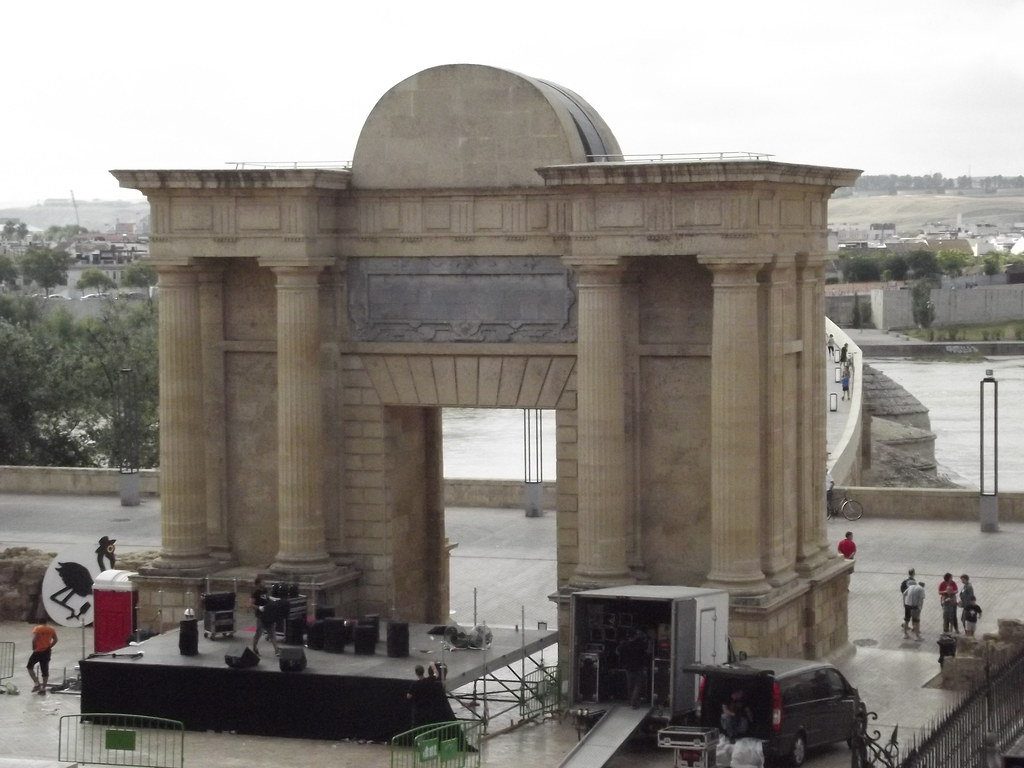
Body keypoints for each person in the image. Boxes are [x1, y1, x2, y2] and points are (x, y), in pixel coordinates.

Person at [407, 662, 455, 728]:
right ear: (423, 671)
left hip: (419, 710)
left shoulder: (414, 685)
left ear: (416, 673)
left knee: (418, 726)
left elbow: (408, 696)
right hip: (428, 708)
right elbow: (436, 674)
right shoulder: (429, 680)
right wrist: (433, 665)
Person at [616, 628, 650, 708]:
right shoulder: (640, 643)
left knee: (630, 685)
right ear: (635, 635)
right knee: (638, 685)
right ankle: (634, 701)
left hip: (628, 667)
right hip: (639, 667)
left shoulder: (625, 644)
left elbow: (617, 651)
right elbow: (647, 651)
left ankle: (630, 701)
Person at [250, 576, 281, 657]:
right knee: (258, 633)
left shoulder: (265, 590)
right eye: (262, 582)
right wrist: (259, 607)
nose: (264, 583)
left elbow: (267, 598)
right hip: (261, 616)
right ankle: (254, 648)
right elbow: (251, 604)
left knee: (272, 633)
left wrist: (272, 602)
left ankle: (276, 650)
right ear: (258, 584)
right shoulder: (255, 593)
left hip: (268, 614)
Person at [27, 616, 58, 695]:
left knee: (29, 667)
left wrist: (33, 647)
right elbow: (55, 639)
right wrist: (50, 646)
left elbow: (34, 639)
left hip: (38, 651)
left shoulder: (37, 628)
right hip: (47, 651)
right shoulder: (51, 629)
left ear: (39, 622)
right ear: (46, 622)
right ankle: (43, 688)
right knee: (45, 670)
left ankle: (37, 683)